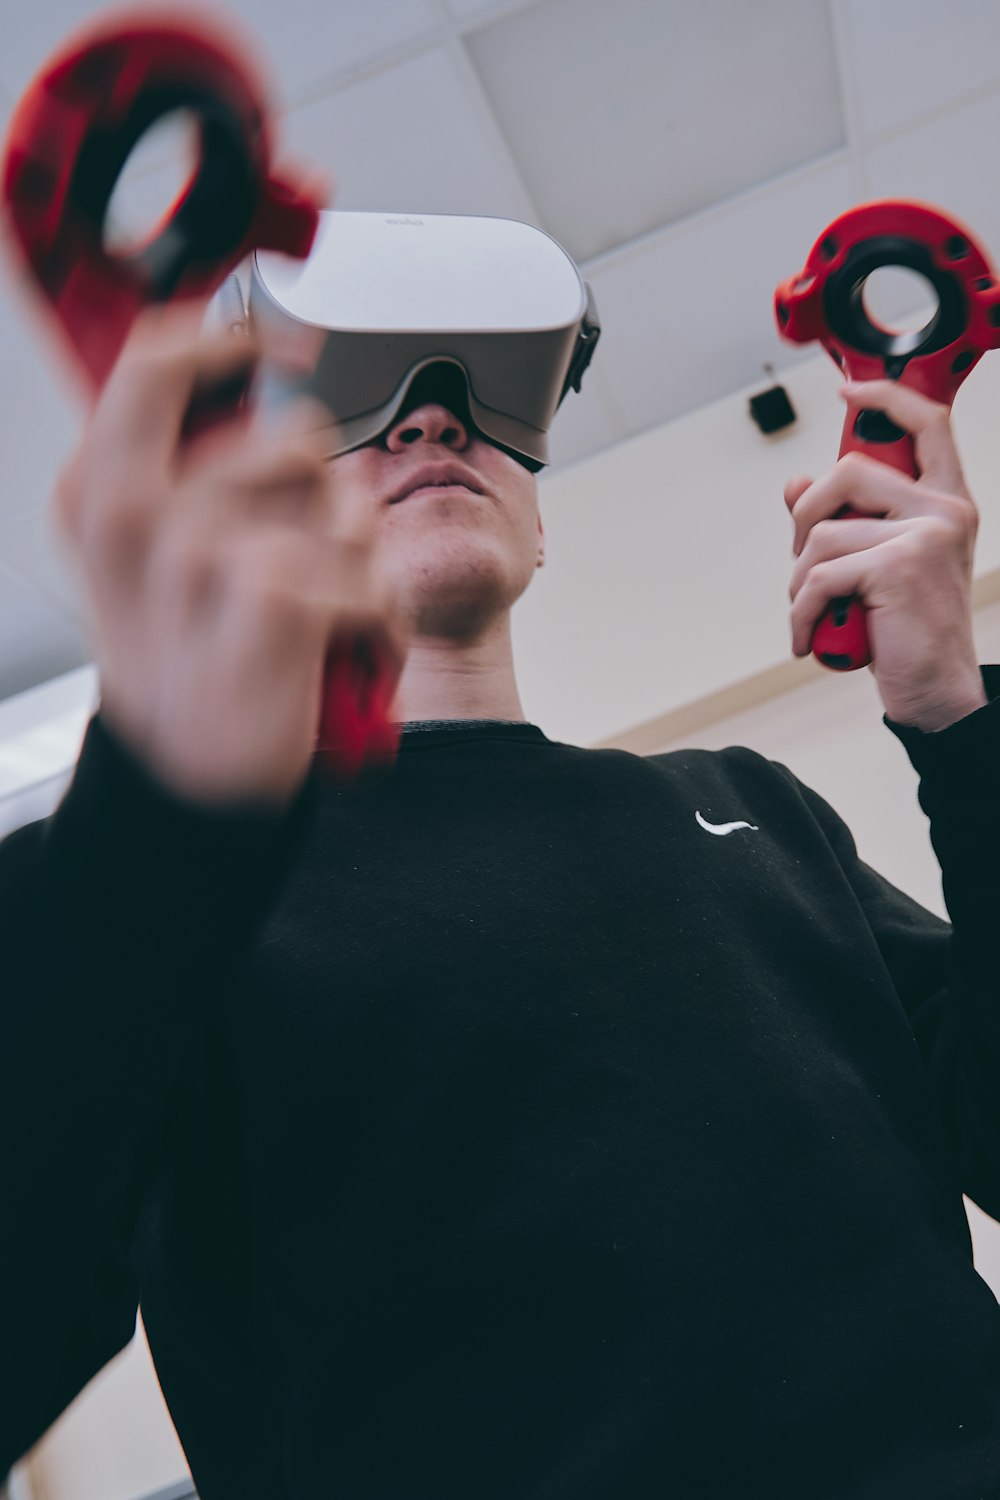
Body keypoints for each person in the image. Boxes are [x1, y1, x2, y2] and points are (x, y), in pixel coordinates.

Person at [2, 289, 1000, 1500]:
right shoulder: (134, 899)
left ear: (538, 526)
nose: (431, 417)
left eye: (475, 397)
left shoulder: (757, 806)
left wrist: (958, 721)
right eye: (352, 404)